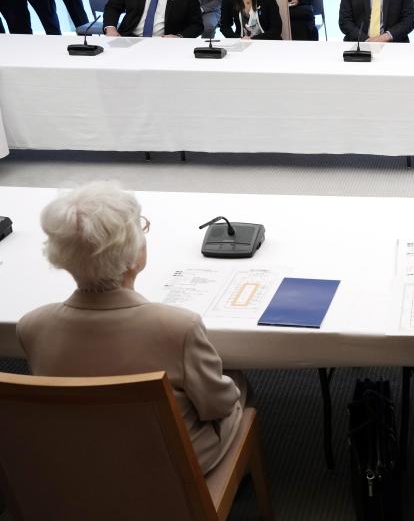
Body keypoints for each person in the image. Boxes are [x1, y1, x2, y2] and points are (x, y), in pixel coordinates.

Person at [16, 182, 247, 474]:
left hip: (78, 462)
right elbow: (217, 406)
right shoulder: (179, 327)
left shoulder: (32, 326)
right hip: (169, 467)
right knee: (238, 385)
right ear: (132, 254)